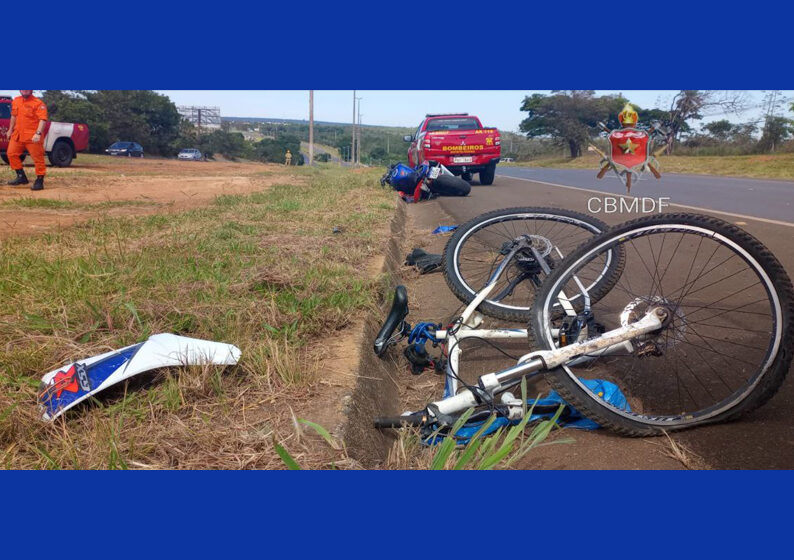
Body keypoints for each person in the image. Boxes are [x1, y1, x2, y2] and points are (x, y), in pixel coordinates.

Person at [5, 90, 48, 191]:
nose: (25, 90)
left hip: (32, 136)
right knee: (11, 154)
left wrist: (38, 133)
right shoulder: (16, 100)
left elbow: (42, 119)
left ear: (31, 90)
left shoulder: (38, 103)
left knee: (38, 158)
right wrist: (10, 130)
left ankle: (39, 180)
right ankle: (21, 177)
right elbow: (13, 116)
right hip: (18, 135)